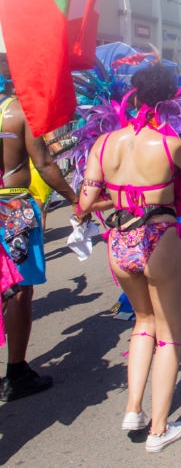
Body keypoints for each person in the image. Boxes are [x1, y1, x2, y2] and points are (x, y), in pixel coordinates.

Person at [78, 64, 181, 450]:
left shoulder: (103, 144)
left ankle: (133, 409)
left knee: (142, 322)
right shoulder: (170, 144)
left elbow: (85, 202)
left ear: (135, 96)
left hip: (119, 241)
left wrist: (123, 196)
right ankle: (159, 428)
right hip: (159, 236)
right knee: (169, 335)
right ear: (171, 100)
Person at [0, 55, 80, 402]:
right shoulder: (19, 112)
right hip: (12, 207)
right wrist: (74, 197)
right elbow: (44, 163)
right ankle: (16, 372)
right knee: (19, 290)